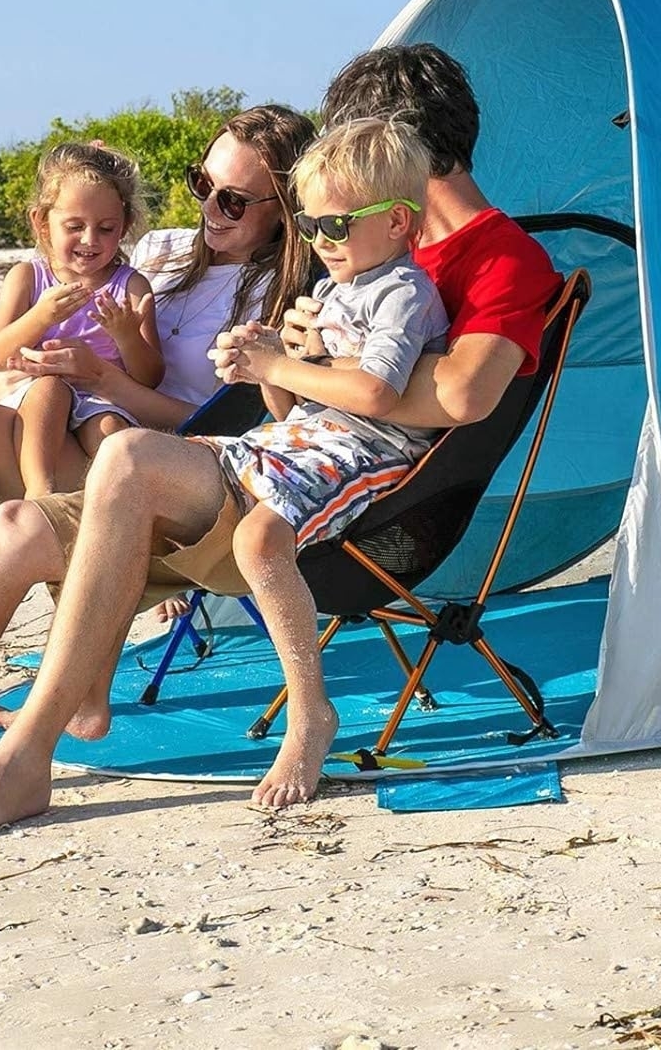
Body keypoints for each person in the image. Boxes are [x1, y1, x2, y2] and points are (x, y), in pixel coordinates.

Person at [0, 43, 559, 843]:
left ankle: (24, 759)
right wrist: (296, 358)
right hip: (268, 458)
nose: (324, 223)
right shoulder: (359, 258)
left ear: (397, 151)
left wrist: (312, 361)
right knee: (15, 528)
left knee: (127, 459)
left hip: (340, 509)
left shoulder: (493, 257)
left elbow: (462, 394)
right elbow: (306, 388)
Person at [0, 103, 317, 752]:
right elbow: (73, 245)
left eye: (235, 201)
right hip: (75, 427)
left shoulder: (276, 292)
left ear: (282, 207)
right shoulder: (163, 252)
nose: (210, 210)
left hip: (160, 463)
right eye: (202, 185)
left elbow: (220, 423)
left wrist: (103, 381)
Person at [185, 116, 449, 806]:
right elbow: (287, 409)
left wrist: (281, 361)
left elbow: (375, 393)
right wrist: (264, 362)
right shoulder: (335, 288)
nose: (319, 241)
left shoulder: (402, 292)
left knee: (259, 537)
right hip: (310, 442)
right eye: (309, 226)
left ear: (396, 222)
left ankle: (310, 714)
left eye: (335, 225)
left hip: (373, 452)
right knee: (166, 468)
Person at [0, 142, 164, 499]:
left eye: (106, 228)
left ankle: (115, 506)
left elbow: (150, 379)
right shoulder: (27, 278)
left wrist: (128, 337)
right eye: (74, 226)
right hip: (35, 393)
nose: (89, 239)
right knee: (50, 390)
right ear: (41, 222)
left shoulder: (130, 286)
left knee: (113, 430)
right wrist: (41, 316)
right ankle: (40, 494)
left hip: (100, 397)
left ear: (125, 225)